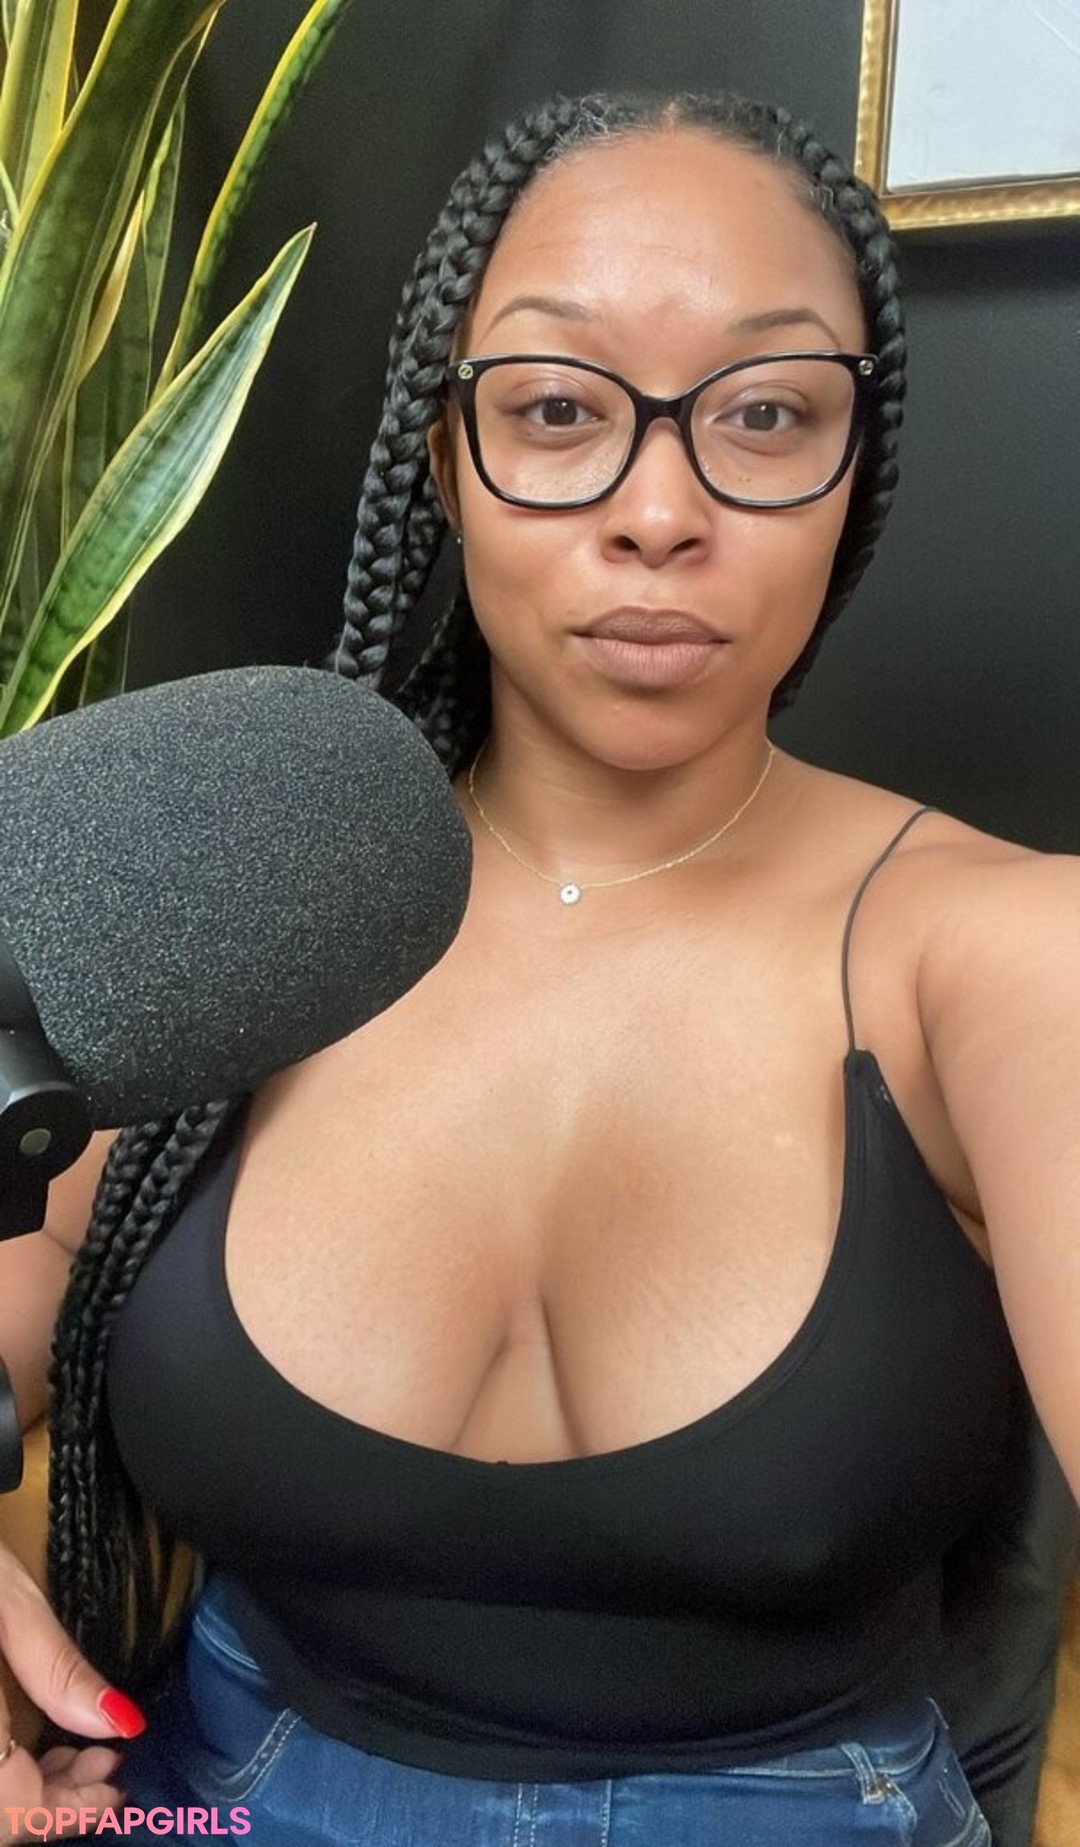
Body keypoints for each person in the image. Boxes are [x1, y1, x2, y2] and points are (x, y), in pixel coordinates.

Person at [0, 88, 1076, 1846]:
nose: (659, 510)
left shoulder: (1001, 954)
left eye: (766, 412)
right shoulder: (249, 893)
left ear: (854, 469)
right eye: (561, 408)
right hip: (201, 1801)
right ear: (445, 455)